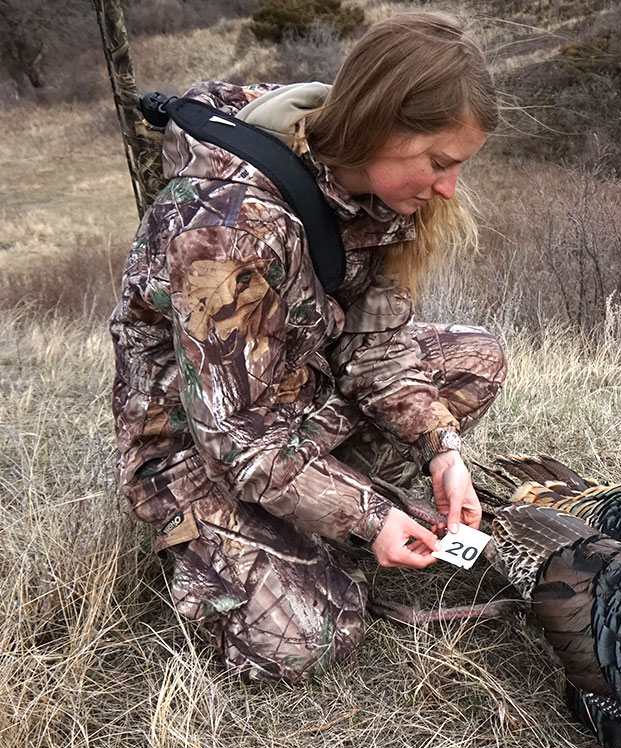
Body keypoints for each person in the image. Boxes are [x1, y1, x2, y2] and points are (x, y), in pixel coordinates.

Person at [108, 12, 506, 683]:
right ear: (379, 123)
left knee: (475, 362)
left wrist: (443, 451)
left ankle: (322, 511)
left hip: (295, 398)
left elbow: (375, 348)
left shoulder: (371, 192)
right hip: (195, 448)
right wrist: (370, 513)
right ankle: (205, 544)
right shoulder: (228, 228)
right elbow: (236, 438)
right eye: (439, 163)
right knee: (307, 638)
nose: (448, 189)